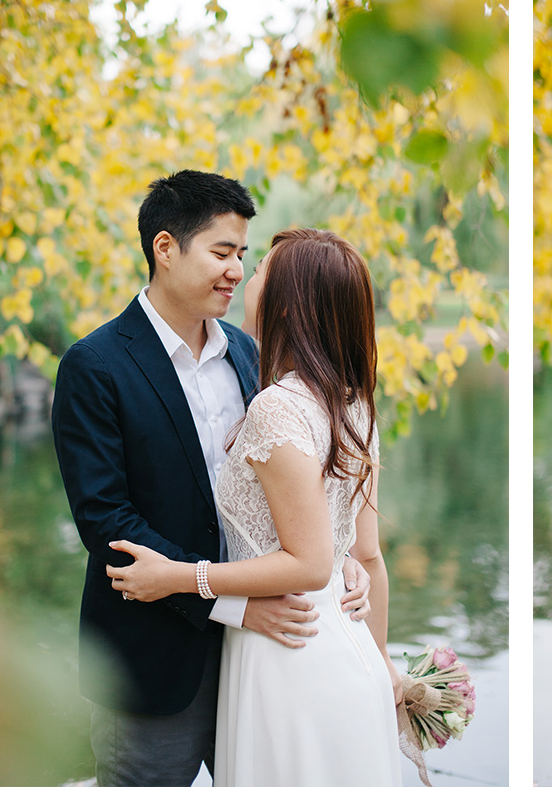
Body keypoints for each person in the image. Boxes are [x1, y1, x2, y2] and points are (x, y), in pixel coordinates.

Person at [52, 172, 372, 786]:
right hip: (157, 664)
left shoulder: (250, 356)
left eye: (242, 256)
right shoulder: (94, 366)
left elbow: (290, 492)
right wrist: (235, 606)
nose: (235, 271)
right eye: (221, 253)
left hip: (266, 661)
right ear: (165, 249)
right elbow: (107, 523)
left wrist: (341, 556)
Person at [106, 227, 403, 787]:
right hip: (346, 648)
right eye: (231, 254)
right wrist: (381, 659)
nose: (243, 274)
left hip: (289, 655)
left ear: (285, 299)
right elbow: (367, 555)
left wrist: (179, 576)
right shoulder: (354, 403)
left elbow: (313, 561)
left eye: (257, 264)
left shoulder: (276, 406)